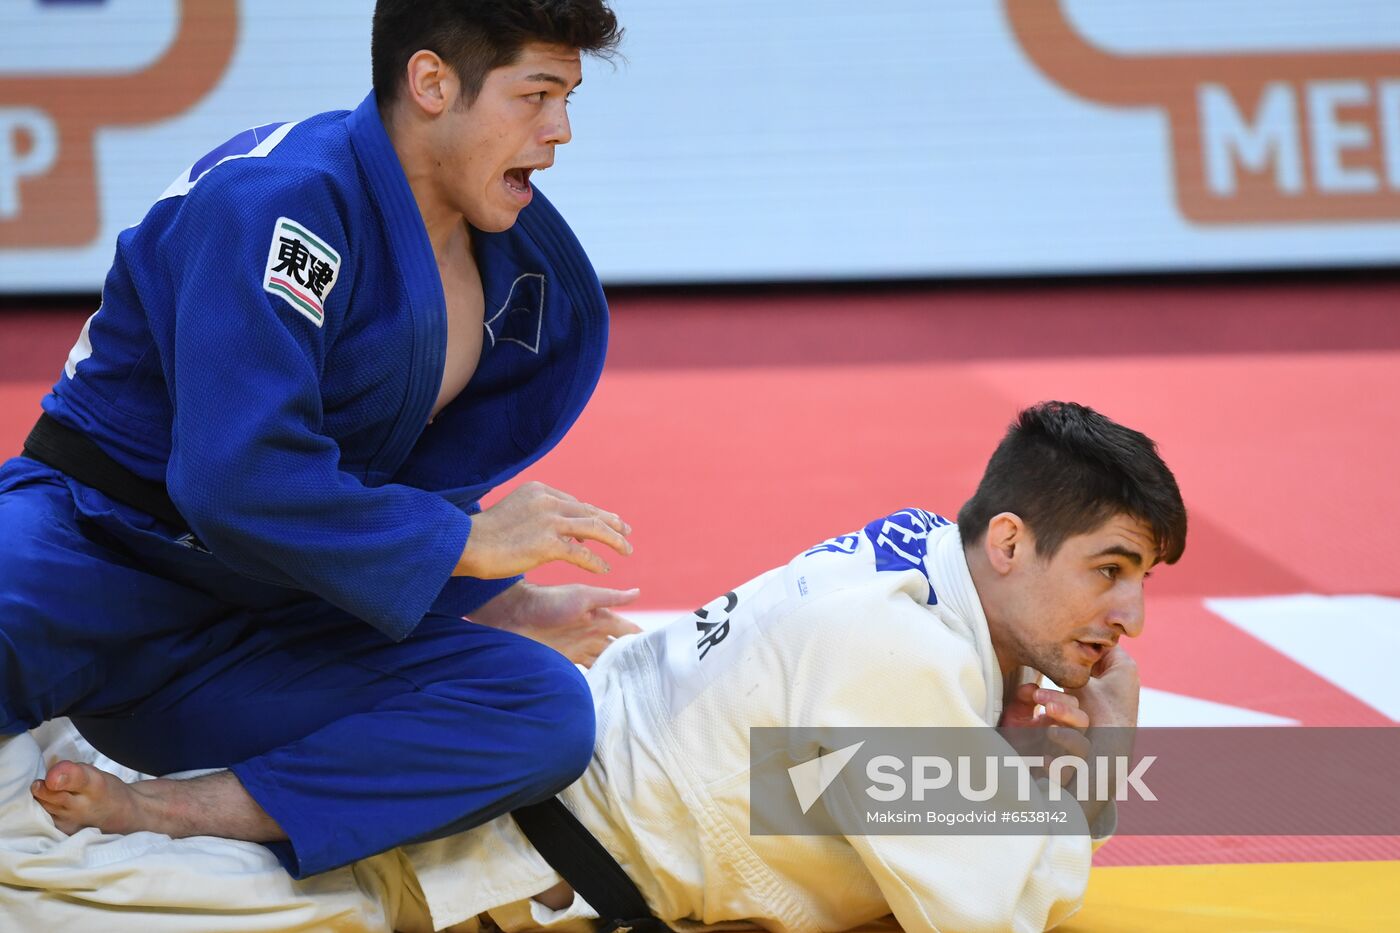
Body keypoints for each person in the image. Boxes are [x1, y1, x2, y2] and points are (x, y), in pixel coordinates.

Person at [0, 401, 1188, 932]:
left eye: (1142, 580)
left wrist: (986, 765)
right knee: (59, 889)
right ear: (1010, 541)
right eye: (1110, 569)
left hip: (512, 764)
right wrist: (1096, 774)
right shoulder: (903, 656)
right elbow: (982, 917)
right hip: (469, 851)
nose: (1127, 614)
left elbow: (810, 790)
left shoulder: (906, 566)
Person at [1, 0, 638, 880]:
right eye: (535, 95)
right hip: (92, 554)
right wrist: (464, 543)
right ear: (431, 82)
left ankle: (182, 806)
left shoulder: (514, 266)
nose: (560, 130)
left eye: (567, 97)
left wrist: (492, 601)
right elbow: (235, 477)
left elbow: (404, 483)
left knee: (540, 710)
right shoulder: (280, 198)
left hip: (259, 626)